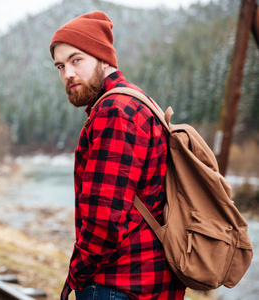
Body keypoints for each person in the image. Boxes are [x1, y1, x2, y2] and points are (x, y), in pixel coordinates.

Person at [49, 11, 186, 300]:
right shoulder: (138, 99)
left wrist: (76, 276)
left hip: (119, 285)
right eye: (60, 66)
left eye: (76, 60)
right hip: (150, 282)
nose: (68, 74)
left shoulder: (115, 110)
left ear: (104, 58)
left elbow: (104, 218)